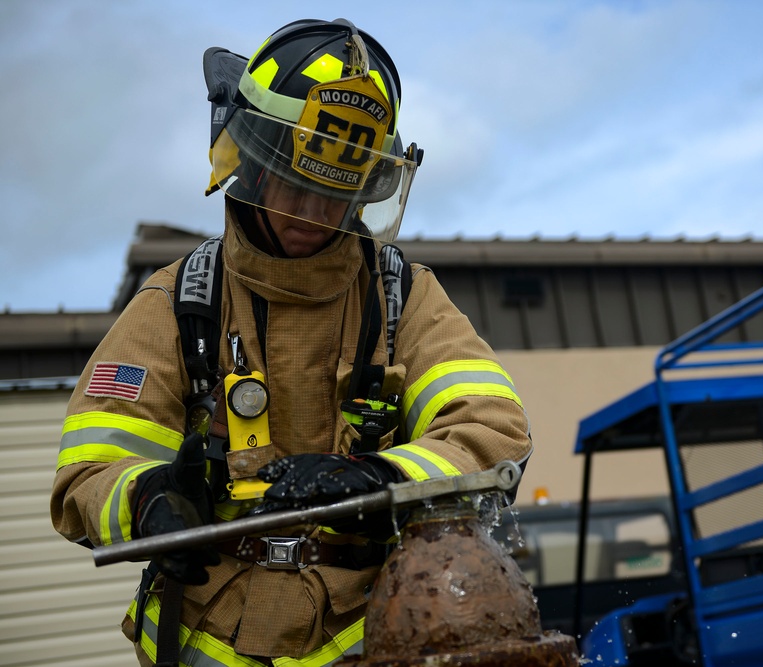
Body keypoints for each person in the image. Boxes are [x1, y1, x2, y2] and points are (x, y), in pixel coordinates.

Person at [50, 18, 532, 667]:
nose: (317, 211)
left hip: (372, 636)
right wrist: (151, 498)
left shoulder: (403, 298)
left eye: (338, 191)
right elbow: (88, 469)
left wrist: (382, 478)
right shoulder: (177, 303)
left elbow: (492, 431)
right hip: (202, 640)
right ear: (250, 162)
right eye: (297, 183)